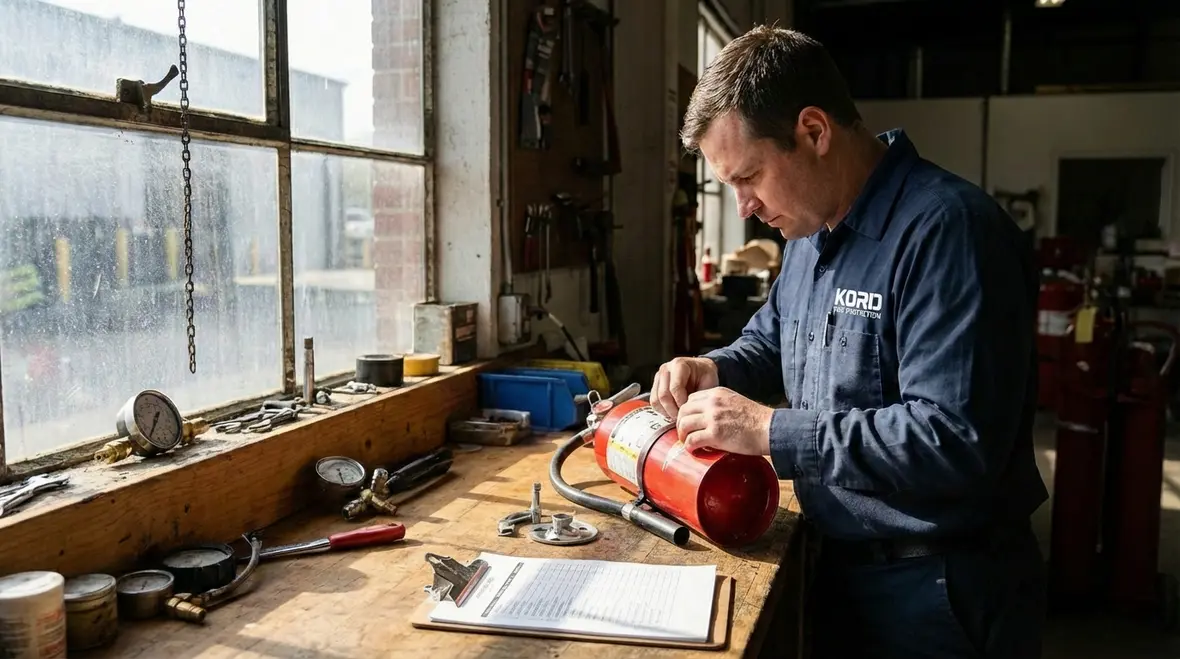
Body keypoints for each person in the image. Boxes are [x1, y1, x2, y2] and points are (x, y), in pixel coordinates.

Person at [652, 26, 1048, 659]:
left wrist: (770, 431)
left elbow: (951, 439)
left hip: (939, 591)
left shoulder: (949, 232)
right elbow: (770, 342)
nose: (745, 207)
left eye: (749, 176)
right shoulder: (810, 234)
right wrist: (712, 368)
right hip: (841, 567)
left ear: (814, 131)